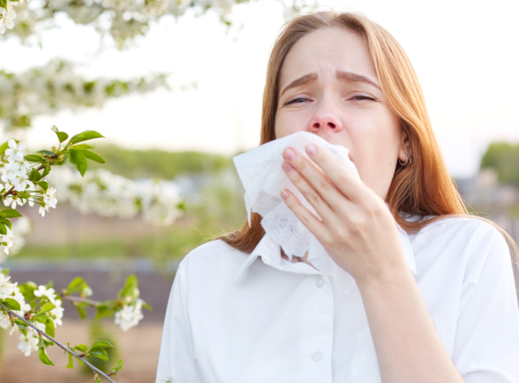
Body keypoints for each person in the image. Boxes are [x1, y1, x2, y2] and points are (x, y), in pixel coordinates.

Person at [155, 10, 519, 383]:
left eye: (360, 96)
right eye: (298, 99)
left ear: (405, 141)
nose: (324, 117)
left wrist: (382, 274)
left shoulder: (470, 253)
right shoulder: (204, 276)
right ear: (275, 138)